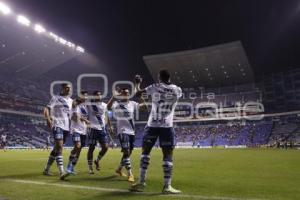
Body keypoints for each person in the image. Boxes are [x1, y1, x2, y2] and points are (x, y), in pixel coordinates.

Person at [130, 70, 182, 194]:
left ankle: (141, 182)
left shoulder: (155, 87)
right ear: (169, 77)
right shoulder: (177, 90)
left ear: (159, 78)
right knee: (168, 154)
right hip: (167, 126)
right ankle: (167, 186)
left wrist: (137, 83)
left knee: (145, 153)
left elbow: (137, 93)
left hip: (152, 124)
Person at [107, 87, 147, 182]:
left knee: (128, 153)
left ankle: (119, 169)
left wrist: (141, 96)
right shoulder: (117, 104)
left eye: (128, 93)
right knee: (126, 151)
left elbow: (145, 107)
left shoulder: (133, 104)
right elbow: (108, 107)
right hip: (122, 130)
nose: (126, 94)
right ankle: (130, 174)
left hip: (131, 131)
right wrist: (114, 96)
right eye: (124, 93)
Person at [43, 83, 73, 180]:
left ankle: (46, 169)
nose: (69, 90)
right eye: (67, 88)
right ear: (63, 88)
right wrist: (48, 119)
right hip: (57, 125)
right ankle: (62, 172)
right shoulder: (56, 98)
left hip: (66, 127)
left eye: (70, 88)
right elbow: (46, 109)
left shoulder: (71, 101)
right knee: (60, 146)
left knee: (56, 149)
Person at [86, 91, 113, 174]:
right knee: (91, 148)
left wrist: (110, 126)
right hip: (93, 129)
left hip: (102, 129)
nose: (99, 96)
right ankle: (90, 168)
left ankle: (97, 160)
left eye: (100, 95)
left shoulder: (104, 105)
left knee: (105, 147)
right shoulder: (90, 105)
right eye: (97, 95)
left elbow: (107, 116)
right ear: (93, 96)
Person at [66, 91, 90, 175]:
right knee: (77, 146)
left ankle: (72, 167)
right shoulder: (75, 103)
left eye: (86, 96)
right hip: (75, 129)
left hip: (83, 130)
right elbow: (75, 115)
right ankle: (68, 165)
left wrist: (86, 122)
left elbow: (83, 116)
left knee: (79, 150)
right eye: (84, 96)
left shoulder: (86, 106)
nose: (86, 98)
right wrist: (85, 120)